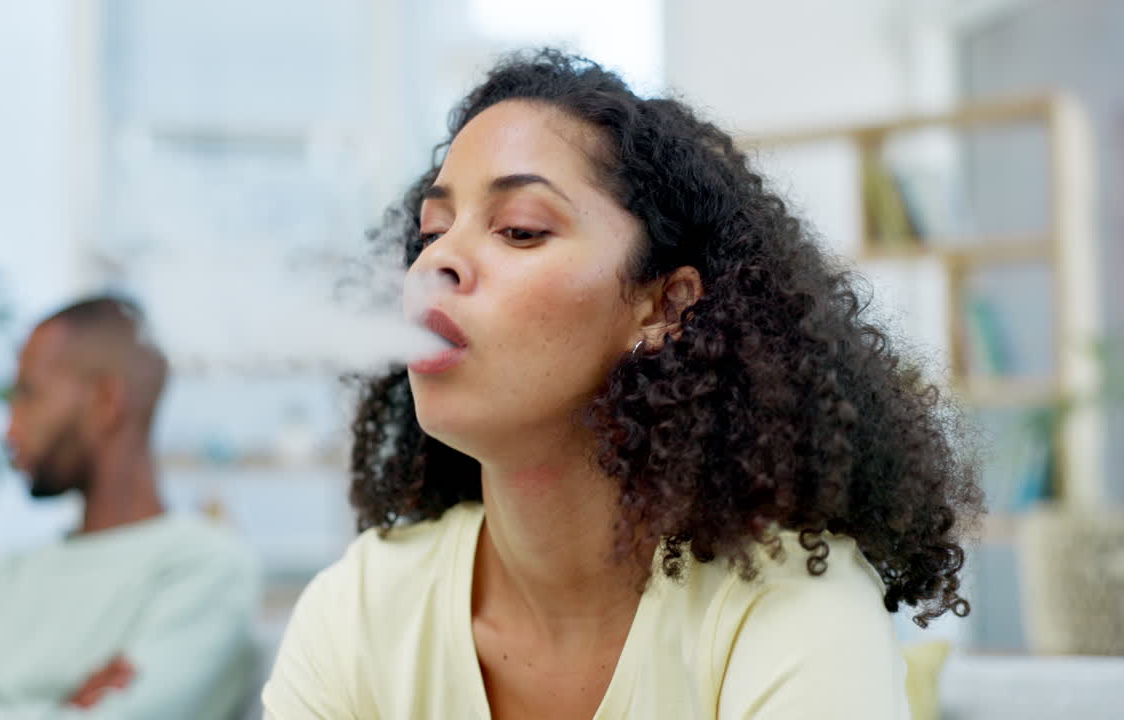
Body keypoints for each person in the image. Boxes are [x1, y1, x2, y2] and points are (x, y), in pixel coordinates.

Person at [263, 50, 983, 719]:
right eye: (432, 233)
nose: (434, 266)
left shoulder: (787, 600)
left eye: (518, 230)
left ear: (664, 306)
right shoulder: (362, 607)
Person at [0, 296, 261, 720]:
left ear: (105, 402)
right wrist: (59, 710)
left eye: (28, 393)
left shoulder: (203, 567)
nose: (8, 427)